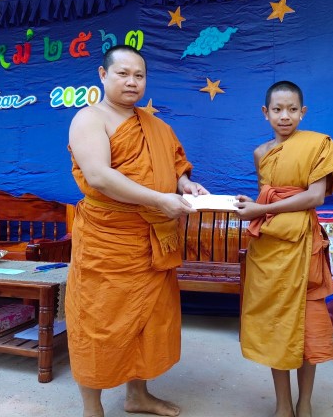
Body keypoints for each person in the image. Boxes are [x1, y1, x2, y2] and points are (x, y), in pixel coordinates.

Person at [66, 44, 208, 417]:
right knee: (98, 322)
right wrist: (158, 200)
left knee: (148, 321)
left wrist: (184, 185)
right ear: (103, 75)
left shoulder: (155, 125)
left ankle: (138, 395)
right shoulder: (89, 119)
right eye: (123, 73)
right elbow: (99, 176)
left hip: (153, 241)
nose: (132, 82)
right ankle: (92, 407)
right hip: (108, 239)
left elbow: (174, 164)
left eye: (139, 75)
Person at [235, 81, 333, 417]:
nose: (285, 116)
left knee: (308, 328)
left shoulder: (318, 144)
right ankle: (283, 404)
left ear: (302, 112)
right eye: (277, 109)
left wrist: (261, 209)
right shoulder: (261, 153)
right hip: (269, 248)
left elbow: (315, 196)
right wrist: (253, 205)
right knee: (275, 325)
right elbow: (268, 194)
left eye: (292, 109)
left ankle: (304, 402)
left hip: (303, 245)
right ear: (265, 113)